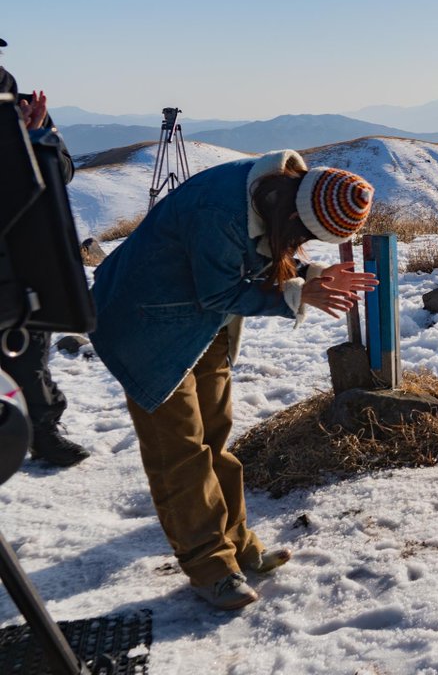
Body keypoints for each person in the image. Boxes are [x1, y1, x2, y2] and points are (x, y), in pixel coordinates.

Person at [89, 150, 378, 609]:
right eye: (304, 236)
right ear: (294, 207)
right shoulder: (221, 211)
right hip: (145, 324)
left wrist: (310, 274)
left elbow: (260, 258)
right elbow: (221, 288)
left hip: (205, 326)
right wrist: (299, 294)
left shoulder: (271, 193)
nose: (300, 244)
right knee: (180, 451)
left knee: (215, 438)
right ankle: (209, 568)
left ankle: (238, 544)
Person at [0, 36, 87, 467]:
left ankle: (44, 435)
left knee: (28, 350)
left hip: (21, 256)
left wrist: (35, 137)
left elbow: (63, 171)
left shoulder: (18, 107)